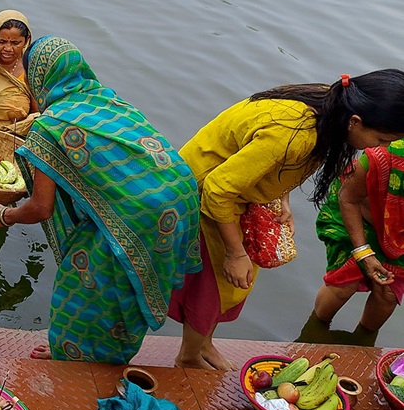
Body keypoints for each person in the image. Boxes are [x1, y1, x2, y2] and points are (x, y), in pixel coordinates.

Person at [0, 36, 200, 364]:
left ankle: (76, 355)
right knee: (126, 283)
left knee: (85, 278)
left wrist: (4, 215)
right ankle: (114, 352)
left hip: (140, 212)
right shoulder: (106, 99)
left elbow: (41, 207)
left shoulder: (50, 127)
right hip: (180, 197)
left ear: (38, 79)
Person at [168, 70, 404, 370]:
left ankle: (205, 345)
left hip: (237, 192)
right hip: (201, 193)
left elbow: (272, 162)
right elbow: (218, 189)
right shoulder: (294, 133)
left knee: (236, 285)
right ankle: (188, 356)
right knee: (215, 285)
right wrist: (235, 252)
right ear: (355, 122)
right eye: (381, 138)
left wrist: (281, 197)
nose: (379, 148)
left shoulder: (334, 104)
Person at [307, 140, 404, 344]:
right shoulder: (382, 156)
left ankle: (363, 342)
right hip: (355, 216)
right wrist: (363, 252)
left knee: (387, 293)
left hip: (400, 236)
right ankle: (314, 332)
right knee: (345, 283)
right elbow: (348, 199)